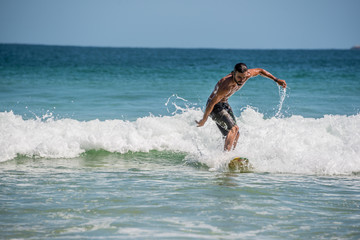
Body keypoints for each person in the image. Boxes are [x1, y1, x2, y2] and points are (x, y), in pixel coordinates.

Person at [196, 63, 287, 151]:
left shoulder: (246, 75)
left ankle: (230, 155)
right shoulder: (226, 86)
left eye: (244, 77)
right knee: (234, 128)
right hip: (214, 106)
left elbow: (260, 71)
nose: (242, 80)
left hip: (224, 103)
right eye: (239, 77)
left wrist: (276, 80)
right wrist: (204, 120)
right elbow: (211, 103)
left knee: (236, 134)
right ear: (233, 73)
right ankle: (225, 155)